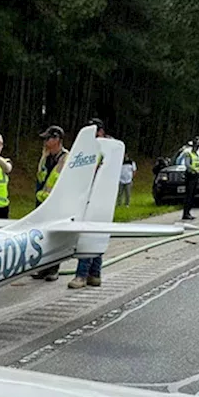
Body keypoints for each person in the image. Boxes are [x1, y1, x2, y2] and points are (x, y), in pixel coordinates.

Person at [68, 118, 109, 289]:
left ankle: (82, 275)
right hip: (94, 195)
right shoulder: (98, 147)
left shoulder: (101, 148)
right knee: (96, 235)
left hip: (96, 196)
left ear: (100, 131)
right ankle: (95, 274)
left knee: (88, 235)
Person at [32, 125, 68, 281]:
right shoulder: (46, 156)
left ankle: (54, 269)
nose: (45, 141)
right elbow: (40, 178)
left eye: (48, 138)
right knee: (42, 237)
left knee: (55, 237)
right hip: (41, 201)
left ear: (57, 139)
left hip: (57, 203)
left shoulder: (67, 158)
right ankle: (43, 268)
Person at [178, 138, 199, 221]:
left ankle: (188, 212)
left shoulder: (198, 155)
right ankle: (185, 213)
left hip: (196, 176)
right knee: (188, 195)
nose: (197, 147)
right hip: (190, 176)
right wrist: (195, 170)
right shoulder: (188, 154)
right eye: (196, 145)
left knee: (192, 195)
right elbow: (187, 164)